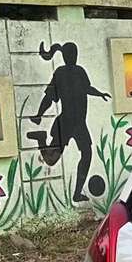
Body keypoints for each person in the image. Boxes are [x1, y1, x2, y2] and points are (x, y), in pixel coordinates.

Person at [26, 42, 110, 202]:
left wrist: (100, 94)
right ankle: (41, 138)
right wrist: (38, 114)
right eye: (71, 54)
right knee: (52, 160)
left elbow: (87, 88)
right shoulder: (62, 73)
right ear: (66, 56)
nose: (73, 57)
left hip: (77, 123)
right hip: (67, 122)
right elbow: (50, 96)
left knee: (86, 153)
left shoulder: (78, 71)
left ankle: (77, 193)